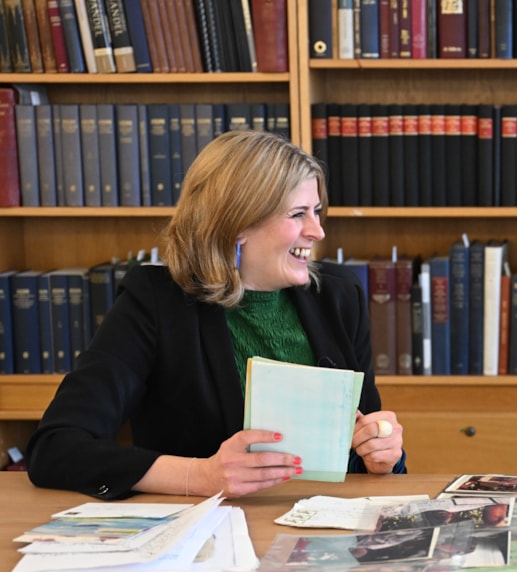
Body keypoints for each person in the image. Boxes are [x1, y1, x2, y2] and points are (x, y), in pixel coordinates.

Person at [27, 130, 407, 500]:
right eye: (298, 214)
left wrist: (383, 453)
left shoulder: (339, 296)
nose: (318, 231)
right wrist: (199, 476)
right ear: (237, 225)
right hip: (208, 538)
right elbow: (56, 447)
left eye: (317, 211)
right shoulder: (156, 301)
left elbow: (367, 443)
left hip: (323, 535)